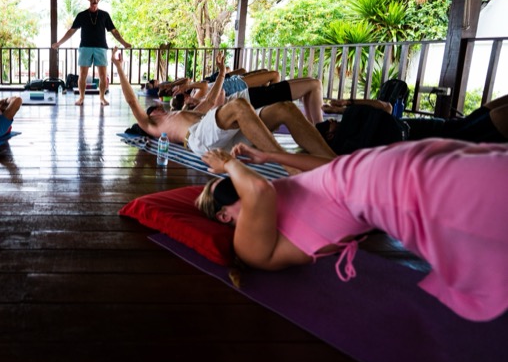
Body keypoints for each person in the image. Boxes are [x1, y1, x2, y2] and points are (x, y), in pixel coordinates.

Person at [197, 140, 508, 322]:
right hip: (389, 186)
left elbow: (332, 166)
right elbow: (259, 189)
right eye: (230, 189)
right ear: (224, 217)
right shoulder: (248, 247)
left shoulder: (267, 200)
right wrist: (228, 167)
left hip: (376, 166)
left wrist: (270, 156)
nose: (238, 185)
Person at [112, 48, 335, 162]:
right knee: (238, 104)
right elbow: (132, 101)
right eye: (154, 110)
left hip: (223, 135)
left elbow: (210, 100)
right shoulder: (153, 125)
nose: (158, 108)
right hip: (201, 138)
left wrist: (221, 73)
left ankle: (332, 163)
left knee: (285, 108)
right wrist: (120, 67)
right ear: (152, 114)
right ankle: (289, 165)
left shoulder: (180, 112)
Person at [316, 94, 508, 154]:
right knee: (490, 119)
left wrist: (348, 103)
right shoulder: (347, 146)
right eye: (328, 125)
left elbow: (386, 107)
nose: (330, 120)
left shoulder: (353, 120)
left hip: (437, 126)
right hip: (438, 140)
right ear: (330, 136)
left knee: (488, 110)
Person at [52, 0, 132, 106]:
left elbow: (114, 31)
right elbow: (71, 31)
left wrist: (124, 43)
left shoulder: (105, 15)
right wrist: (59, 43)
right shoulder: (82, 15)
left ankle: (102, 98)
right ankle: (81, 97)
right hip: (85, 47)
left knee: (103, 75)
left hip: (101, 48)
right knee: (83, 74)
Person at [172, 74, 325, 124]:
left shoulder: (202, 106)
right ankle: (319, 129)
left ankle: (317, 128)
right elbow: (219, 96)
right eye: (188, 102)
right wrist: (222, 72)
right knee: (314, 84)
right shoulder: (207, 109)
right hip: (253, 99)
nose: (188, 99)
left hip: (253, 96)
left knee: (312, 84)